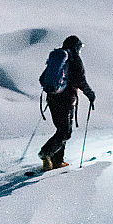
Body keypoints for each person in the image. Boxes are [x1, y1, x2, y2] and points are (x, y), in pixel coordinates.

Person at [38, 35, 95, 170]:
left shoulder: (58, 58)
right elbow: (81, 81)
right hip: (66, 100)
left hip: (52, 98)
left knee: (61, 129)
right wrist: (90, 94)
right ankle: (46, 153)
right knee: (65, 132)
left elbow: (42, 79)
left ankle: (57, 161)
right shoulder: (75, 60)